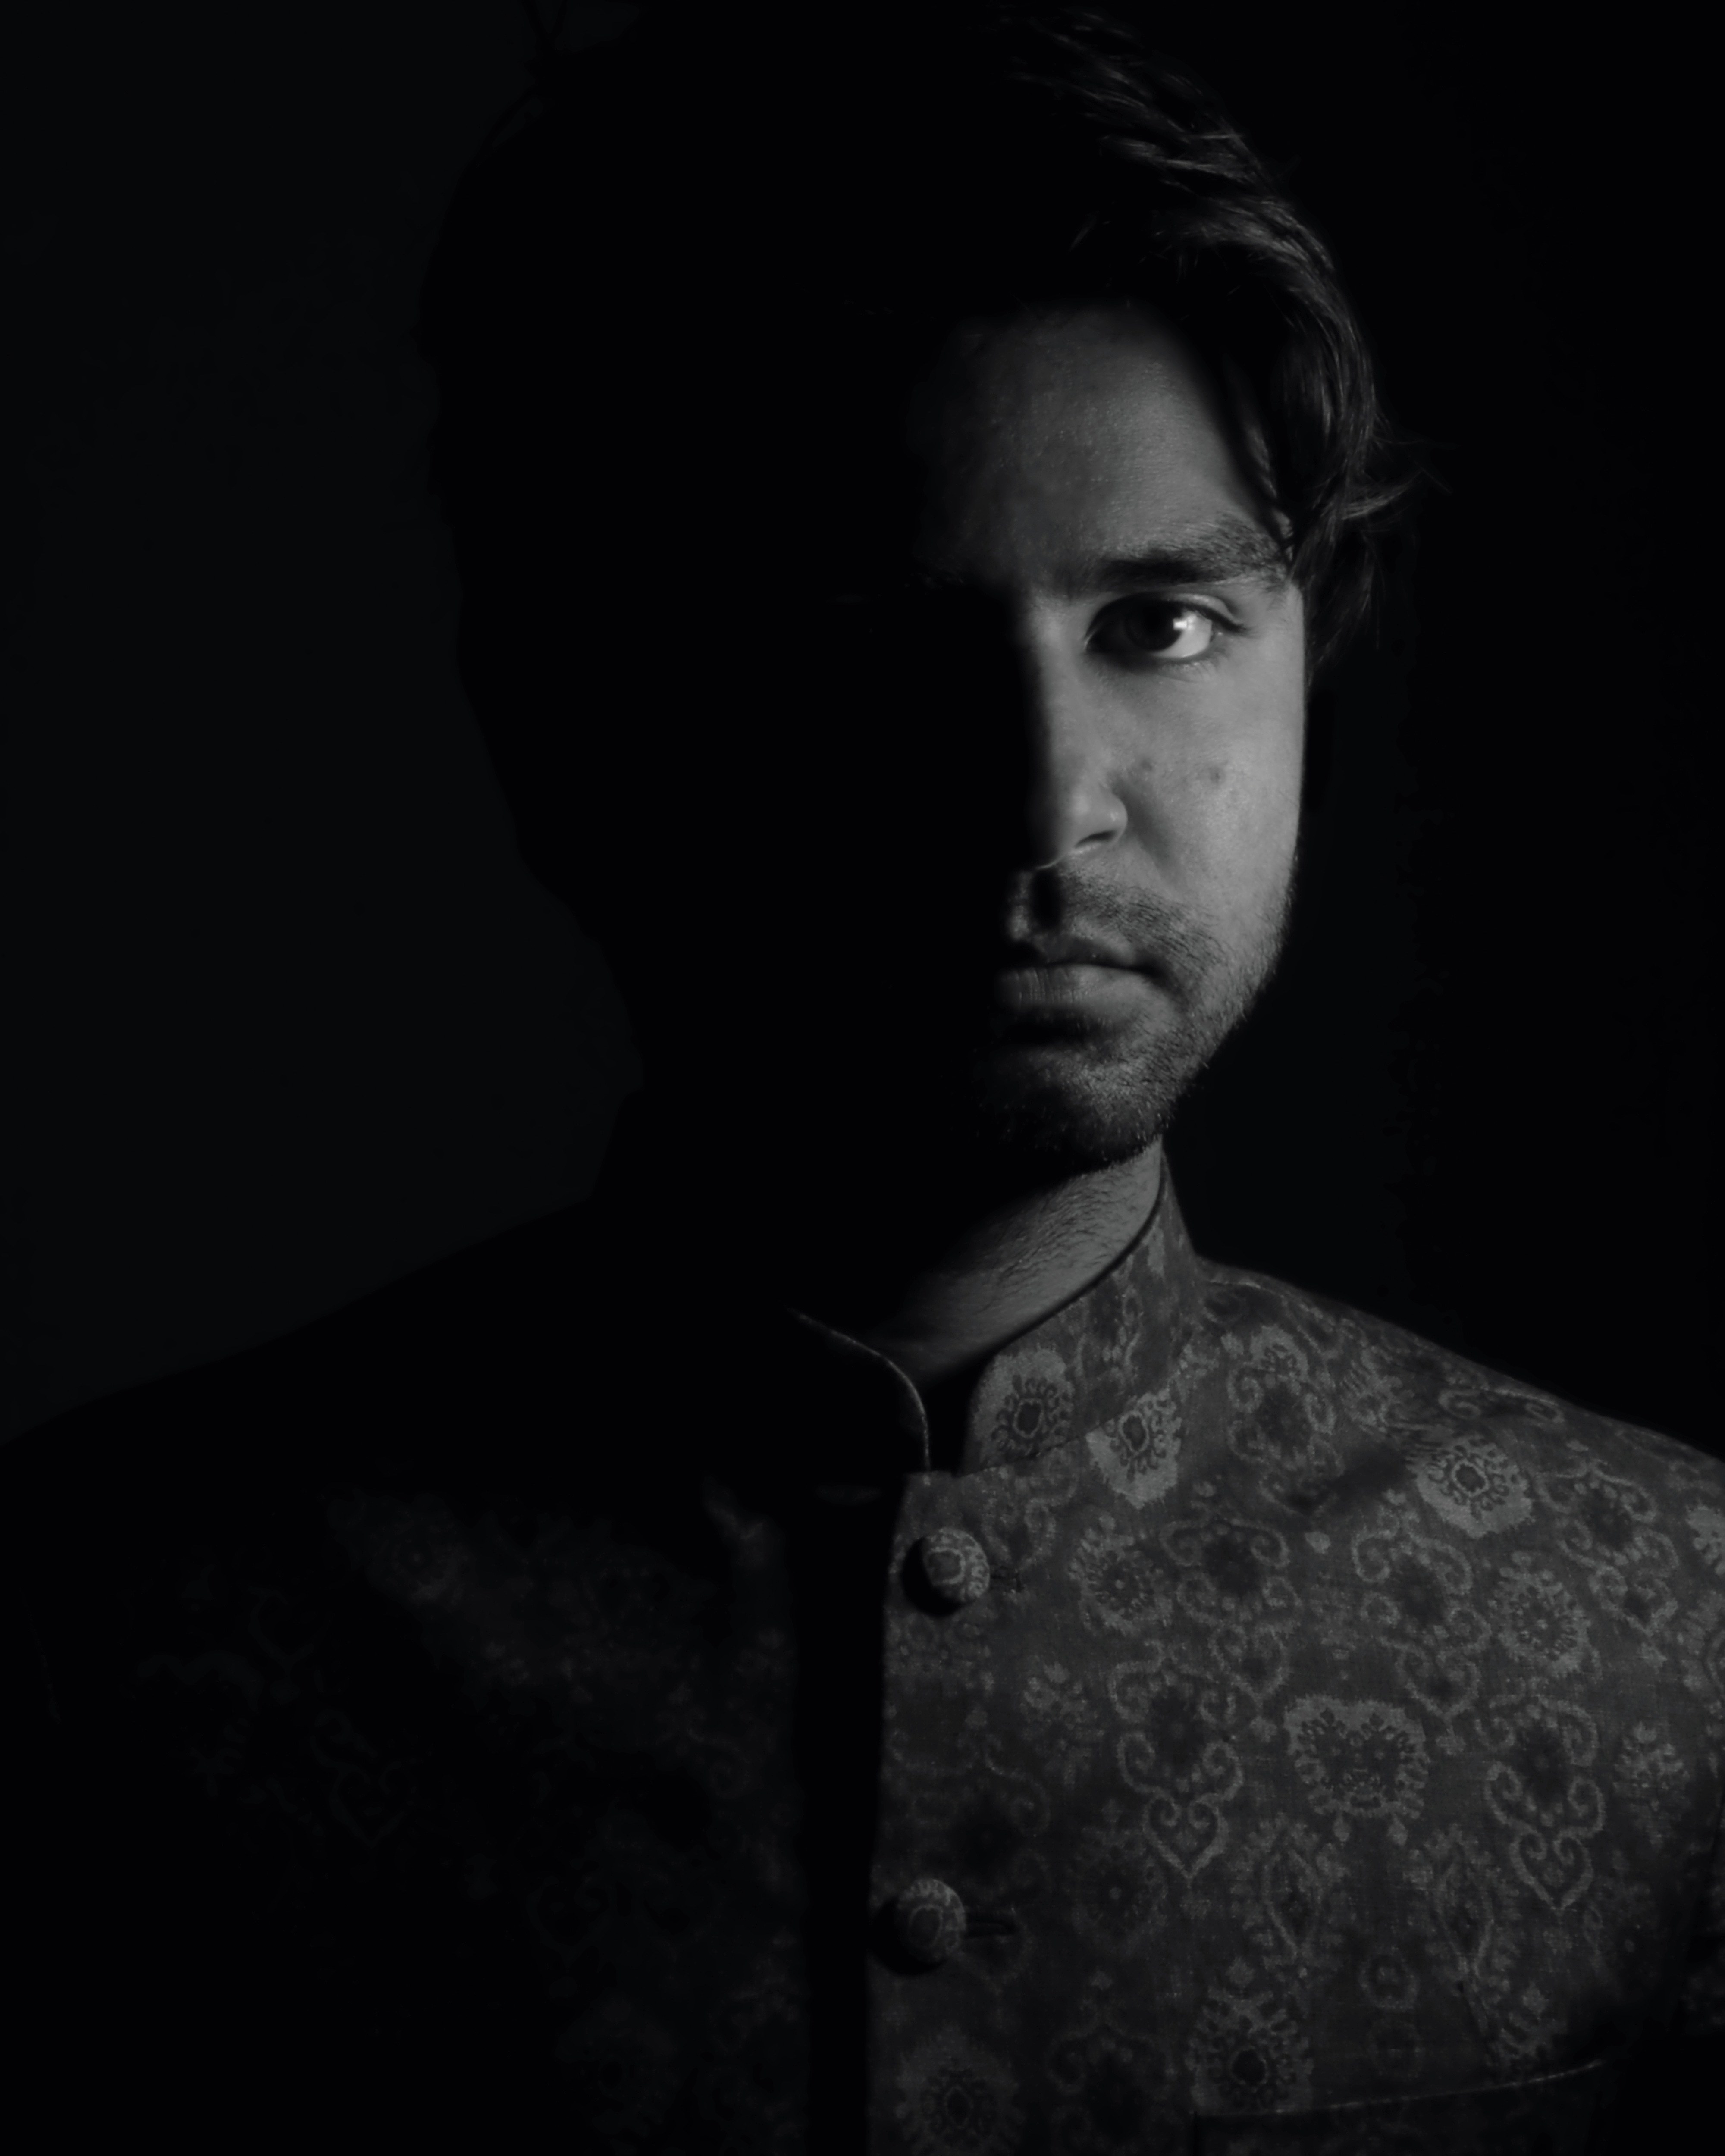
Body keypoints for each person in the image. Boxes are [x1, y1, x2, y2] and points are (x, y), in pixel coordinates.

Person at [2, 6, 1719, 2150]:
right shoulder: (97, 1650)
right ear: (561, 715)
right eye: (870, 640)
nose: (1043, 799)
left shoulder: (1672, 1637)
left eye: (1163, 623)